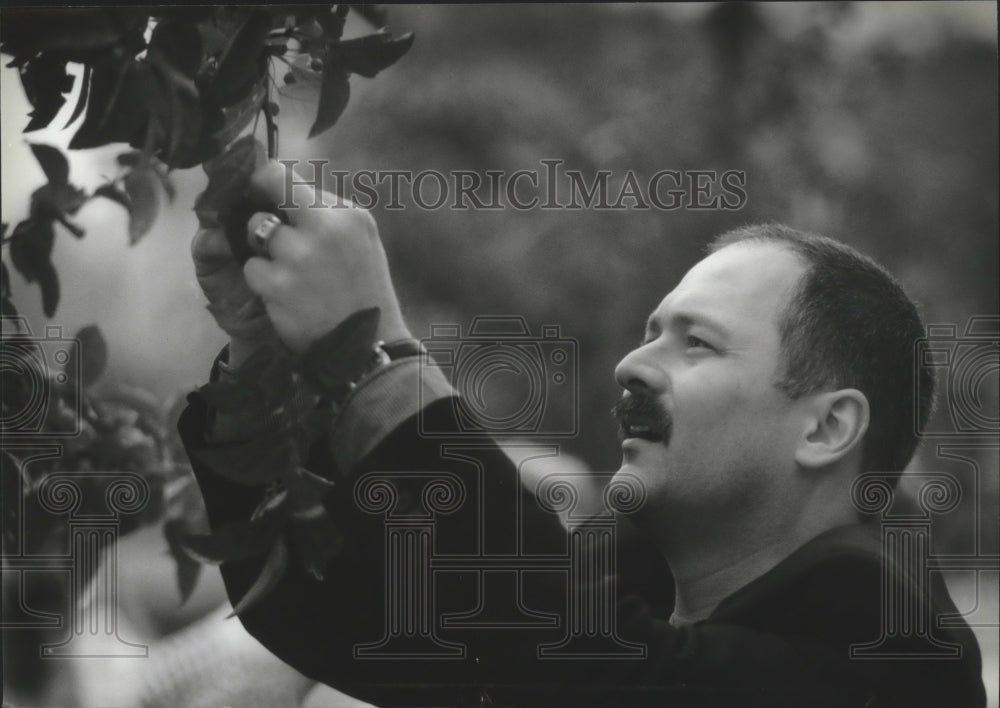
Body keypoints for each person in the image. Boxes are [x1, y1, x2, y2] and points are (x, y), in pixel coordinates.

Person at [179, 162, 986, 707]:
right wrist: (264, 364)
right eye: (649, 332)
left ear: (827, 427)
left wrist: (378, 354)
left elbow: (584, 668)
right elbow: (336, 621)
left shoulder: (893, 644)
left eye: (695, 342)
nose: (632, 363)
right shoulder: (622, 573)